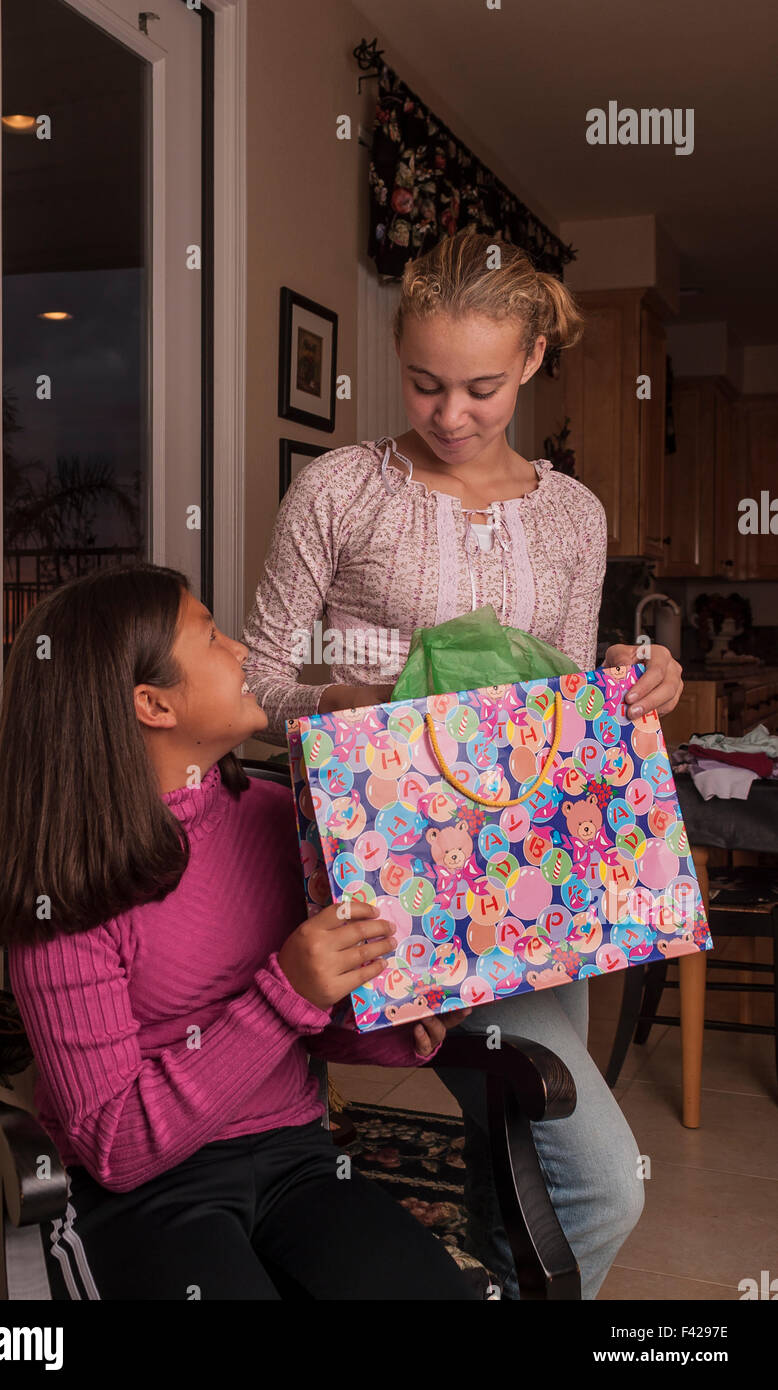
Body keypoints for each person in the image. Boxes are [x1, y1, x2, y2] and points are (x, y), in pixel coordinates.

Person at [240, 230, 684, 1299]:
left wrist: (631, 675)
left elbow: (561, 700)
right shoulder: (343, 489)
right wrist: (339, 703)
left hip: (537, 864)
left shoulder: (573, 512)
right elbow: (253, 682)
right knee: (602, 1181)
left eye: (480, 387)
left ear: (532, 358)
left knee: (514, 1150)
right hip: (399, 880)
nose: (448, 414)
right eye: (425, 383)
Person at [0, 563, 480, 1301]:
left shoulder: (277, 817)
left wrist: (403, 1020)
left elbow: (315, 1026)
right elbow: (113, 1145)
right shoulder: (67, 889)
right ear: (152, 703)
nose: (240, 652)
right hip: (138, 1193)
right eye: (211, 636)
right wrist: (283, 994)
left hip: (295, 1158)